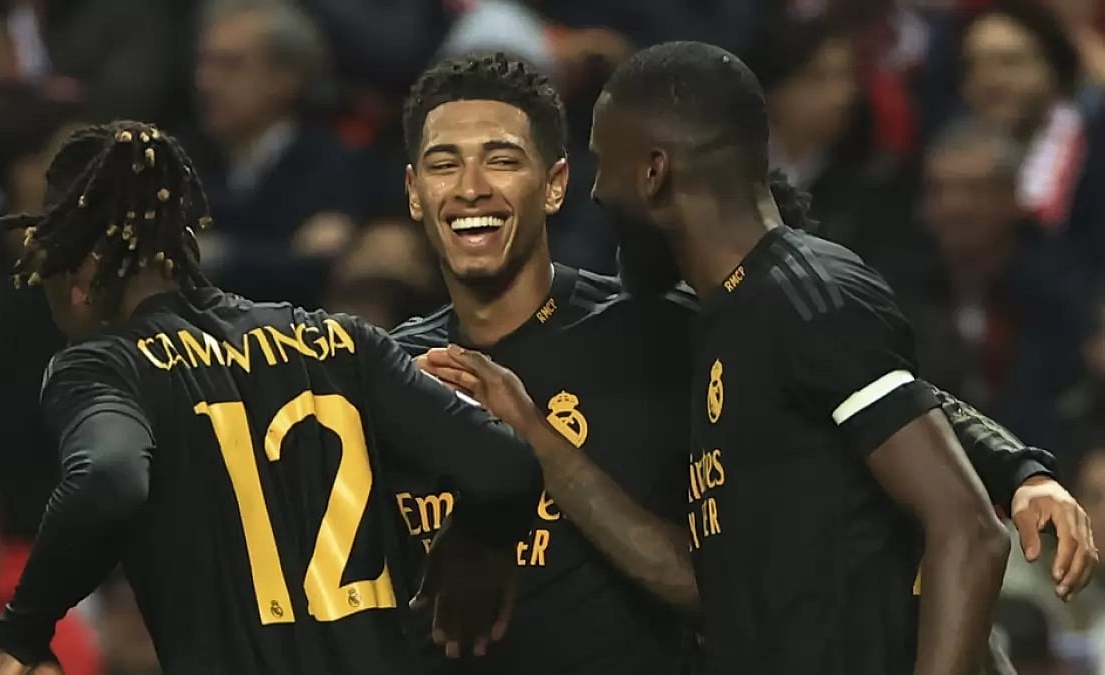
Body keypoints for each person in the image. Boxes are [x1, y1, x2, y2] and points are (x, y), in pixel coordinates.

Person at [398, 53, 1095, 674]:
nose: (469, 187)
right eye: (443, 163)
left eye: (500, 158)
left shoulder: (695, 316)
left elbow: (923, 449)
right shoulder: (391, 368)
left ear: (558, 182)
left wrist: (1016, 467)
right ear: (412, 191)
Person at [0, 120, 548, 675]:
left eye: (45, 256)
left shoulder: (105, 366)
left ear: (83, 266)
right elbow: (507, 466)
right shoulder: (342, 340)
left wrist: (26, 628)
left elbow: (109, 477)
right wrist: (479, 542)